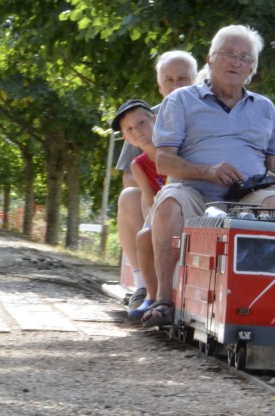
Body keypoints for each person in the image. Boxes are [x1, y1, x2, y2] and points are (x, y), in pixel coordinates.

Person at [142, 24, 275, 327]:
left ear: (251, 68)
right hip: (193, 193)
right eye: (229, 54)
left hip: (247, 196)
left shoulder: (265, 108)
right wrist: (208, 172)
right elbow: (164, 161)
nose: (236, 62)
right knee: (169, 203)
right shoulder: (181, 100)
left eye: (245, 58)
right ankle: (164, 301)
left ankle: (261, 303)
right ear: (210, 58)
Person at [115, 50, 198, 314]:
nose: (175, 86)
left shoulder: (207, 114)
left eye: (183, 79)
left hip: (197, 195)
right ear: (160, 86)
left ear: (196, 79)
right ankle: (143, 283)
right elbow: (130, 175)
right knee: (130, 196)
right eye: (168, 80)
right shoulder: (146, 120)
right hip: (160, 197)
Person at [111, 99, 168, 321]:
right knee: (145, 236)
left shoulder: (172, 151)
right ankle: (149, 293)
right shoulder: (138, 164)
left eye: (142, 123)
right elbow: (150, 197)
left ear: (154, 120)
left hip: (179, 206)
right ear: (126, 137)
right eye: (130, 129)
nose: (137, 131)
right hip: (159, 209)